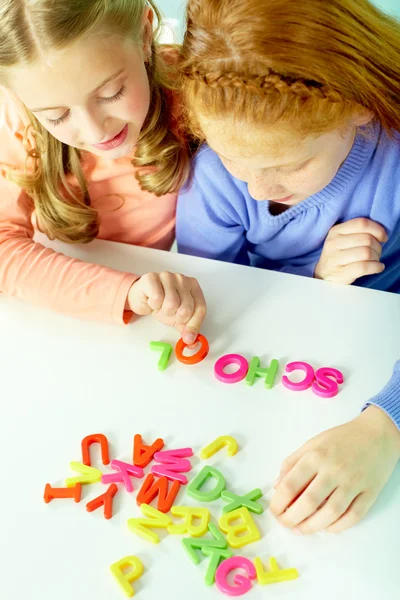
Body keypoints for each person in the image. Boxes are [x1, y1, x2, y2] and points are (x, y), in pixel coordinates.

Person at [177, 0, 400, 532]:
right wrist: (317, 282)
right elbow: (216, 302)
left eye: (290, 164)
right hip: (291, 367)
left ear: (358, 106)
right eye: (234, 159)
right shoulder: (214, 178)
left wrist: (385, 427)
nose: (258, 190)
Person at [0, 0, 206, 344]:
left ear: (144, 35)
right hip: (59, 318)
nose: (95, 132)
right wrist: (123, 292)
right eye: (56, 117)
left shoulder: (190, 87)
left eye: (112, 92)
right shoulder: (17, 119)